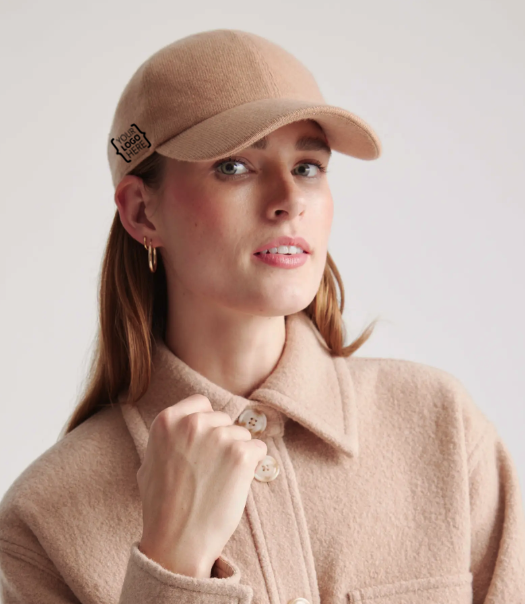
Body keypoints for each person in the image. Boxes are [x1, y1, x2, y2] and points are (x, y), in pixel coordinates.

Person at [0, 28, 524, 604]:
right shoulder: (42, 521)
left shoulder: (441, 429)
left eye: (307, 167)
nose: (288, 200)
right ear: (142, 212)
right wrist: (172, 562)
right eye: (234, 166)